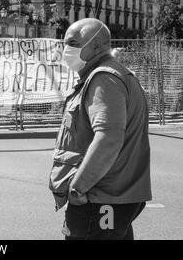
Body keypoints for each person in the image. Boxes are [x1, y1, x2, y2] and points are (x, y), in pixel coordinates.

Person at [49, 18, 152, 240]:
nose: (66, 48)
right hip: (115, 198)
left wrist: (77, 190)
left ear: (96, 46)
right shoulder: (115, 75)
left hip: (99, 198)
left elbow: (109, 139)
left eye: (73, 42)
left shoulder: (103, 78)